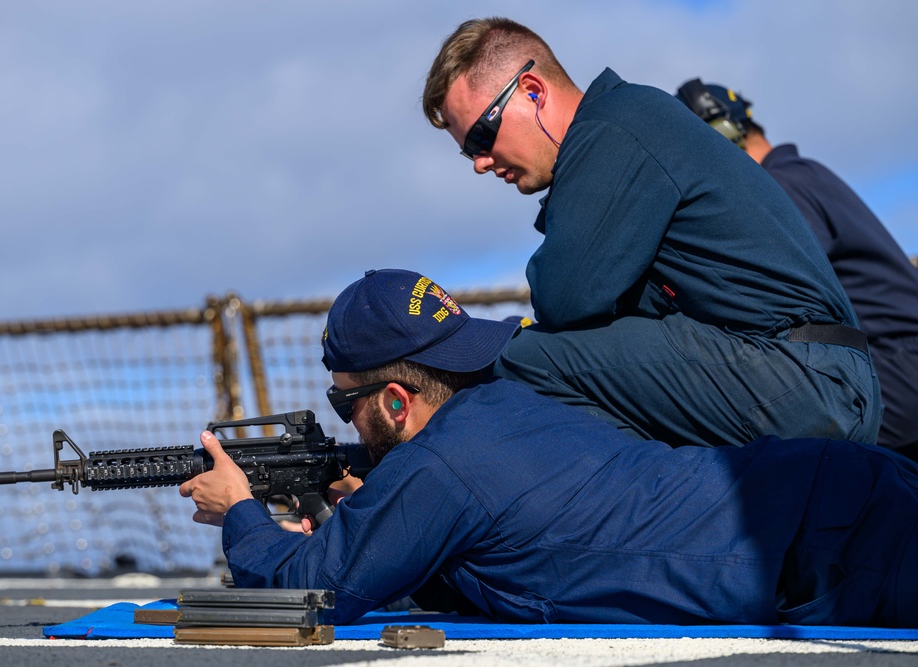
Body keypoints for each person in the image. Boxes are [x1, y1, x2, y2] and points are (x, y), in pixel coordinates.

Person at [180, 268, 918, 627]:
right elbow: (516, 544)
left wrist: (239, 509)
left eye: (349, 403)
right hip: (841, 500)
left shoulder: (442, 466)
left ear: (397, 401)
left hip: (832, 546)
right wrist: (372, 510)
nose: (346, 418)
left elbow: (318, 593)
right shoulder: (513, 404)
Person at [420, 17, 881, 449]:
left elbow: (563, 299)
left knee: (526, 358)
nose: (480, 162)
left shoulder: (611, 130)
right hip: (816, 377)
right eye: (468, 153)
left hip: (808, 380)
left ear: (532, 91)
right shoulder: (625, 124)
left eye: (482, 136)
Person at [676, 78, 918, 460]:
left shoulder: (781, 186)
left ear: (721, 136)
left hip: (894, 372)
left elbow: (775, 293)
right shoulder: (802, 173)